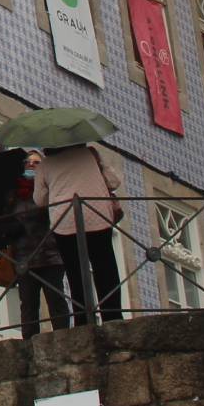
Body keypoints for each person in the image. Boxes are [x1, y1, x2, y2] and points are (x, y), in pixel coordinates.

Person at [33, 143, 124, 323]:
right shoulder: (89, 154)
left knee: (75, 272)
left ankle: (82, 318)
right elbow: (114, 182)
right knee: (105, 267)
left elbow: (40, 200)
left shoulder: (45, 164)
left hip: (65, 222)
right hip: (96, 215)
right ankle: (112, 314)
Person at [9, 151, 70, 337]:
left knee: (55, 298)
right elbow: (6, 225)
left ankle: (63, 336)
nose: (31, 165)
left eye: (36, 162)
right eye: (28, 162)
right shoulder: (14, 195)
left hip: (50, 252)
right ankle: (29, 342)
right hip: (24, 256)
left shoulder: (51, 189)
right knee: (28, 302)